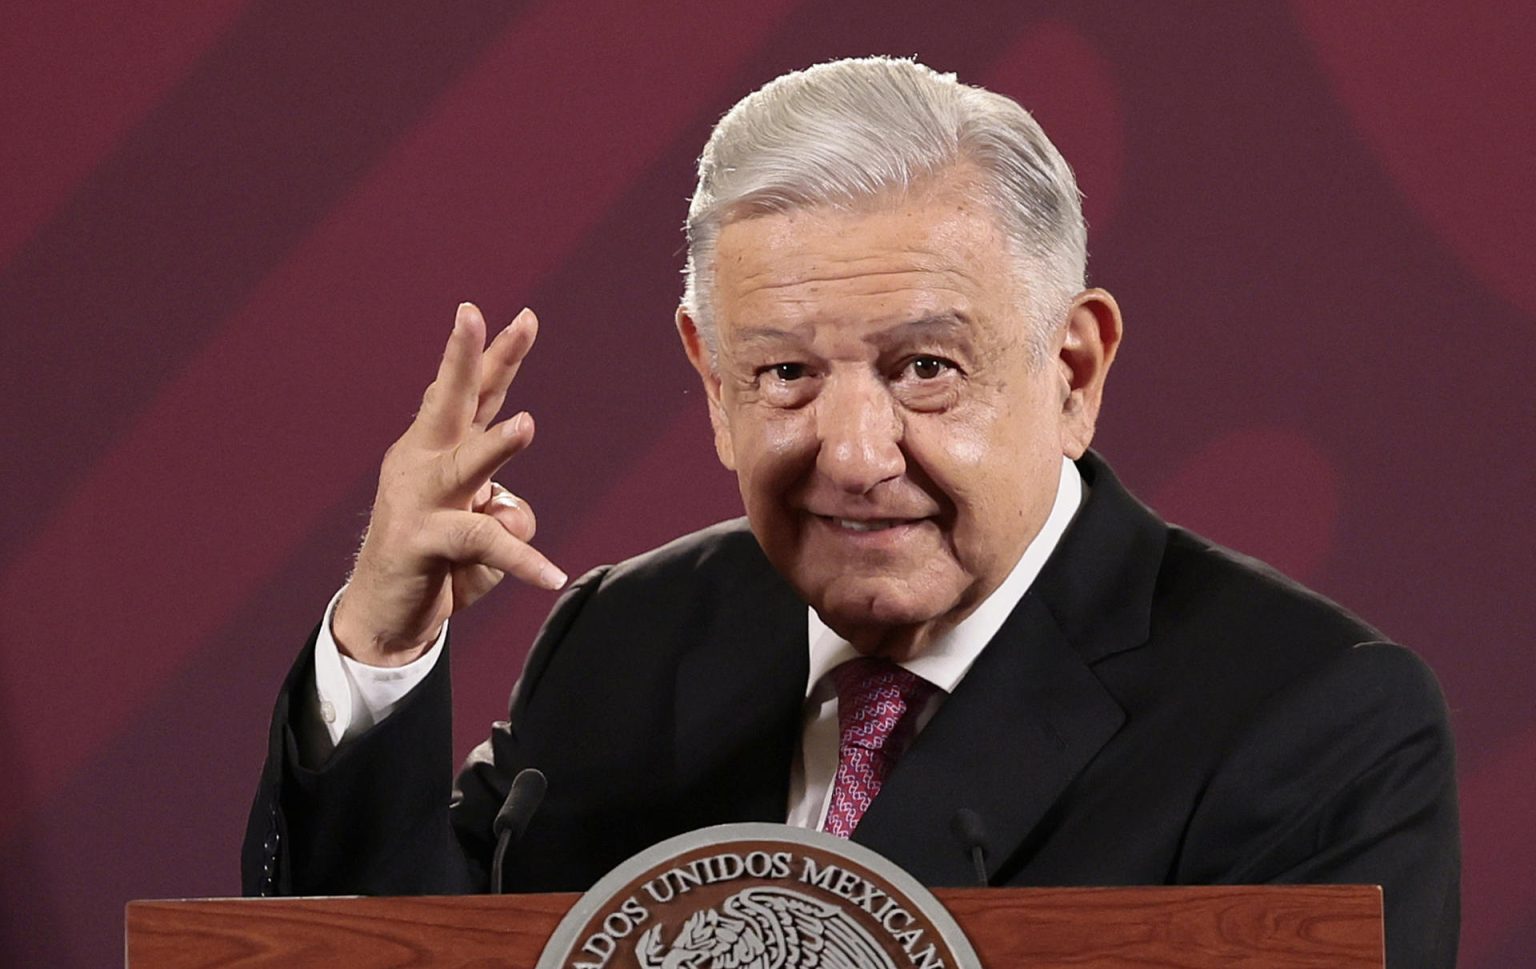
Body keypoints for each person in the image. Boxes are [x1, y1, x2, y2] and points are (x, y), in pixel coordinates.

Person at [243, 57, 1459, 967]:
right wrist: (382, 651)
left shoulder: (1315, 721)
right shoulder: (624, 640)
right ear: (711, 385)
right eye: (785, 375)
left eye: (926, 367)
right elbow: (403, 954)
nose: (856, 454)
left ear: (1074, 369)